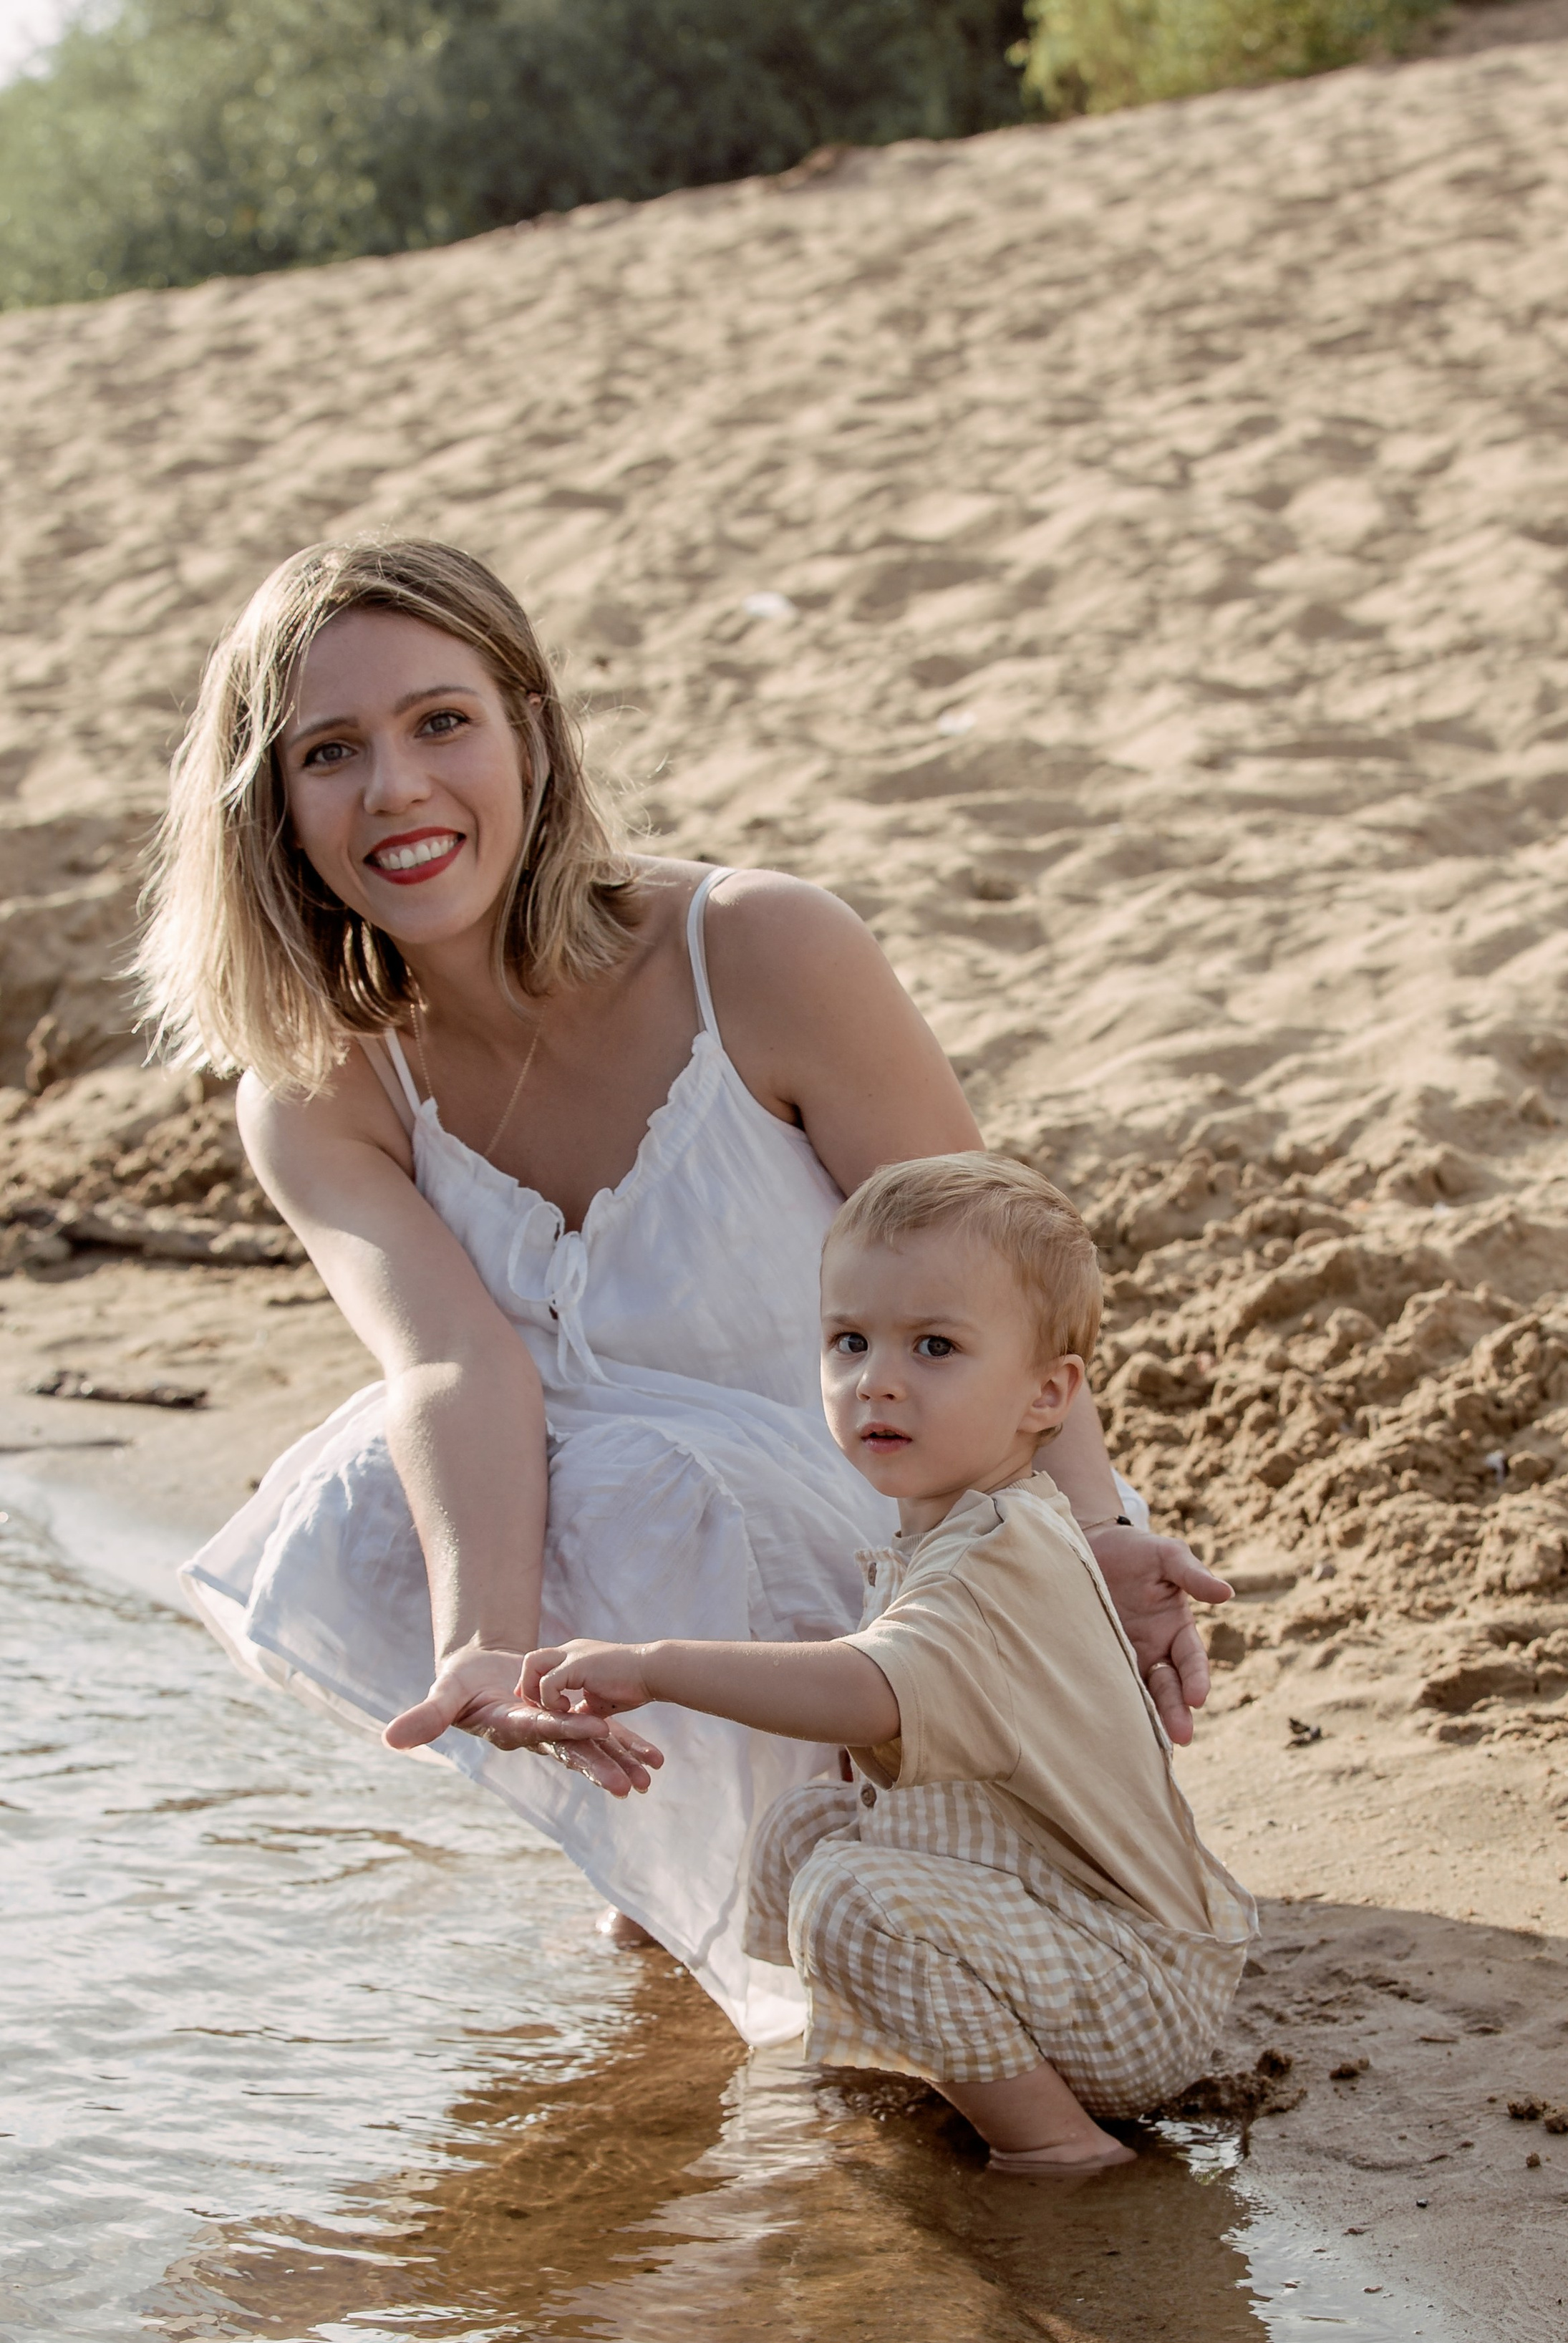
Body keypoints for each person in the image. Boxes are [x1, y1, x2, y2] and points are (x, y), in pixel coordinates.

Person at [138, 535, 1231, 2039]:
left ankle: (852, 1838)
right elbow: (461, 1369)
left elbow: (1001, 1281)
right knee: (382, 1479)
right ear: (272, 808)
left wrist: (1097, 1545)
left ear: (529, 728)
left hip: (912, 1566)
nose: (393, 789)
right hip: (656, 1570)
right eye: (331, 752)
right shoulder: (324, 1088)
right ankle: (683, 1838)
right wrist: (486, 1643)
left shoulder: (759, 949)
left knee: (641, 1468)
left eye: (440, 721)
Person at [521, 1154, 1256, 2168]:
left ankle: (1057, 2146)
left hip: (1134, 1994)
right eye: (850, 1340)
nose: (880, 1378)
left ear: (1049, 1392)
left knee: (849, 1897)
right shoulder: (951, 1525)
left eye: (937, 1346)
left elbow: (867, 1689)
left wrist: (654, 1664)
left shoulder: (998, 1553)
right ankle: (880, 2052)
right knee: (807, 1826)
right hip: (1055, 1935)